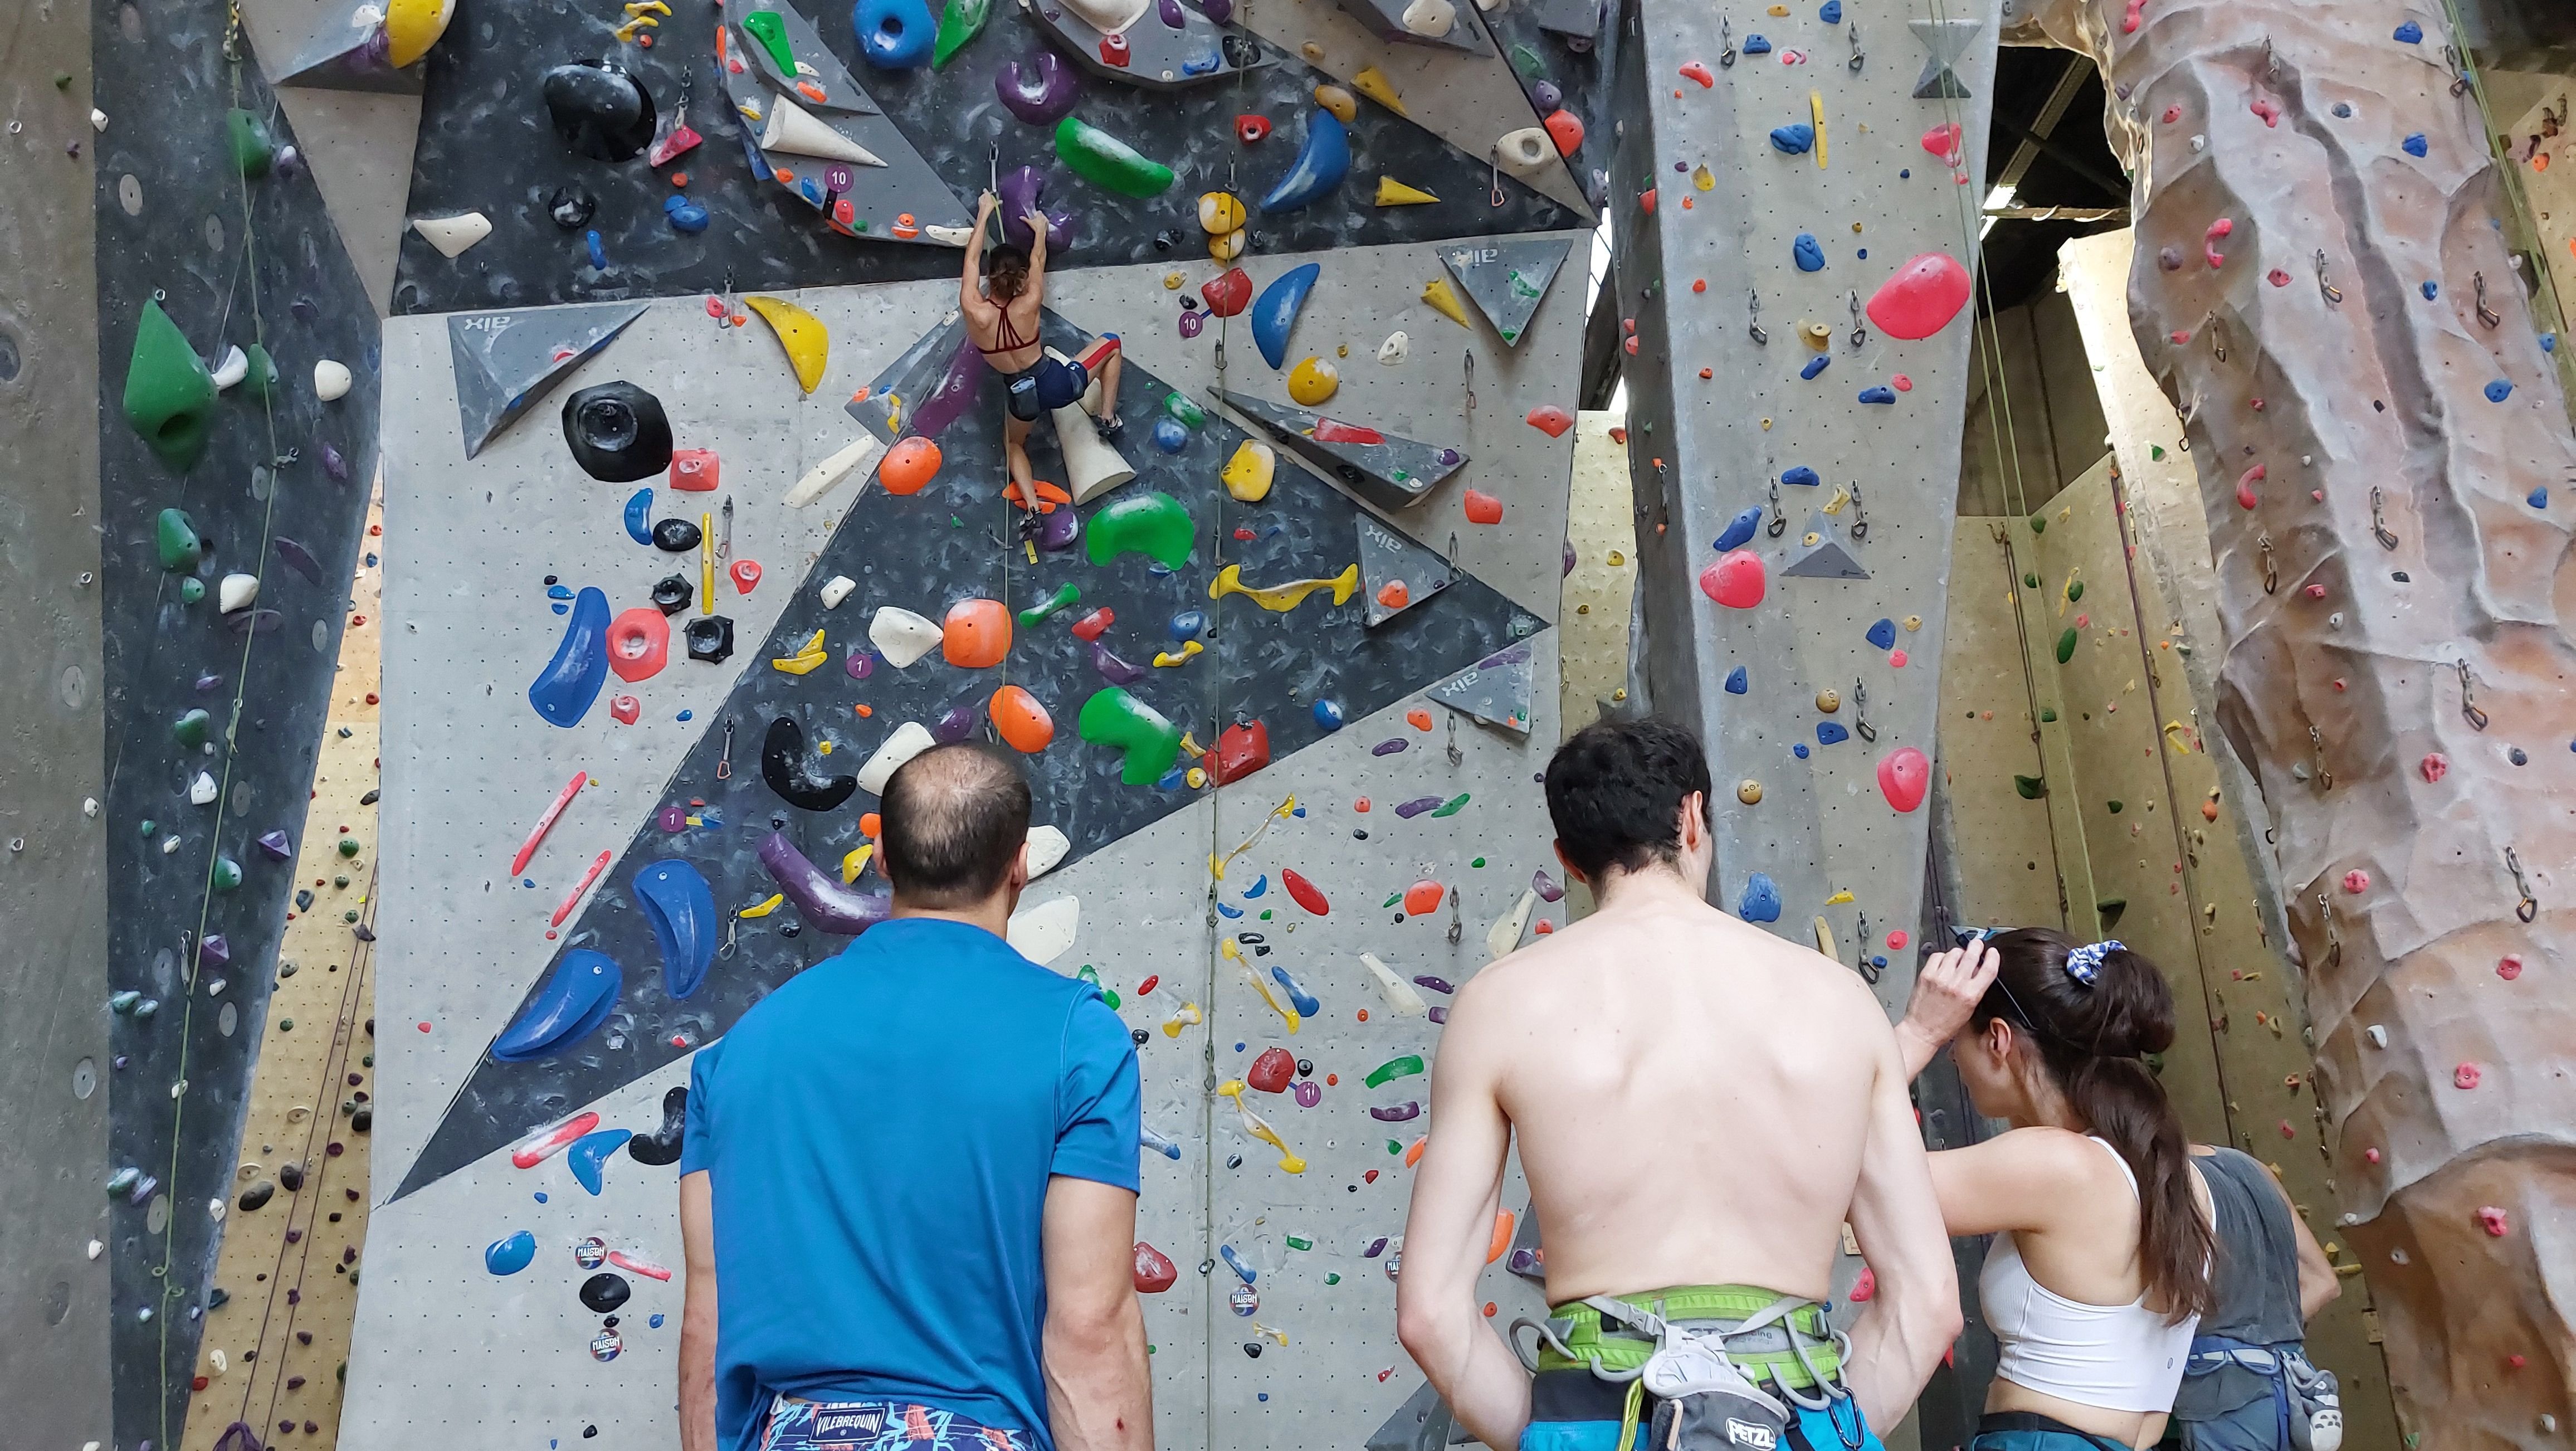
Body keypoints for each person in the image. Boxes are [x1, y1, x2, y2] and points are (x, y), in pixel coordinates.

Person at [1397, 718, 1962, 1451]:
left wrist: (1557, 1439)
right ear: (1693, 817)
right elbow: (1928, 1306)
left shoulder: (1500, 1007)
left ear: (1571, 859)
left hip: (1597, 1417)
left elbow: (1429, 1314)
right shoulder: (1839, 1002)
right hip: (1800, 1417)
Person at [677, 744, 1152, 1451]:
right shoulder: (1077, 1040)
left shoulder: (742, 1050)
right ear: (1018, 866)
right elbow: (1090, 1327)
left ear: (883, 861)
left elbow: (708, 1324)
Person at [1894, 931, 2219, 1451]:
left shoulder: (2056, 1166)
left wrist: (1918, 1033)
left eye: (1960, 1038)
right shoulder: (2179, 1176)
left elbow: (1837, 1169)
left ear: (1999, 1040)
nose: (1952, 1056)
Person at [959, 189, 1124, 505]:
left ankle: (1033, 507)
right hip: (1058, 383)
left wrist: (983, 214)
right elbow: (1038, 259)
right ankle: (1108, 418)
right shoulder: (1030, 302)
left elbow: (970, 259)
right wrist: (1040, 231)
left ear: (990, 277)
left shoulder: (973, 308)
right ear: (1019, 278)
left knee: (1015, 445)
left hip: (1022, 397)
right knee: (1112, 344)